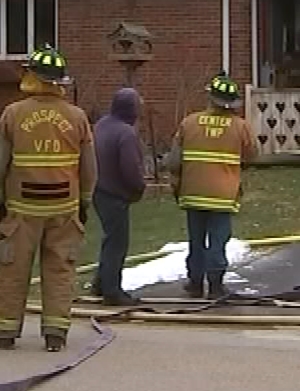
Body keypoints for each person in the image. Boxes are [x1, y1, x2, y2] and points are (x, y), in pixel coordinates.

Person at [0, 45, 96, 352]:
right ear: (61, 81)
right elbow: (89, 167)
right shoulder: (77, 117)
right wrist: (84, 201)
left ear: (31, 76)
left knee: (12, 269)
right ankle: (55, 334)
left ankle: (4, 333)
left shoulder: (13, 114)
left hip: (21, 210)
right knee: (60, 270)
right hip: (64, 209)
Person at [167, 72, 261, 298]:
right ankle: (216, 286)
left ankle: (196, 283)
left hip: (192, 193)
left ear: (210, 98)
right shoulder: (240, 127)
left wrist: (176, 185)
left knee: (196, 240)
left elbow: (174, 161)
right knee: (218, 241)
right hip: (223, 195)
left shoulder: (189, 122)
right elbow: (253, 155)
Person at [90, 87, 147, 306]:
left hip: (97, 190)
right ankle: (112, 291)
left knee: (109, 238)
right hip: (114, 194)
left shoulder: (102, 125)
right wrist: (139, 187)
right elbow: (130, 169)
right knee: (117, 243)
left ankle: (101, 283)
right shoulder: (126, 133)